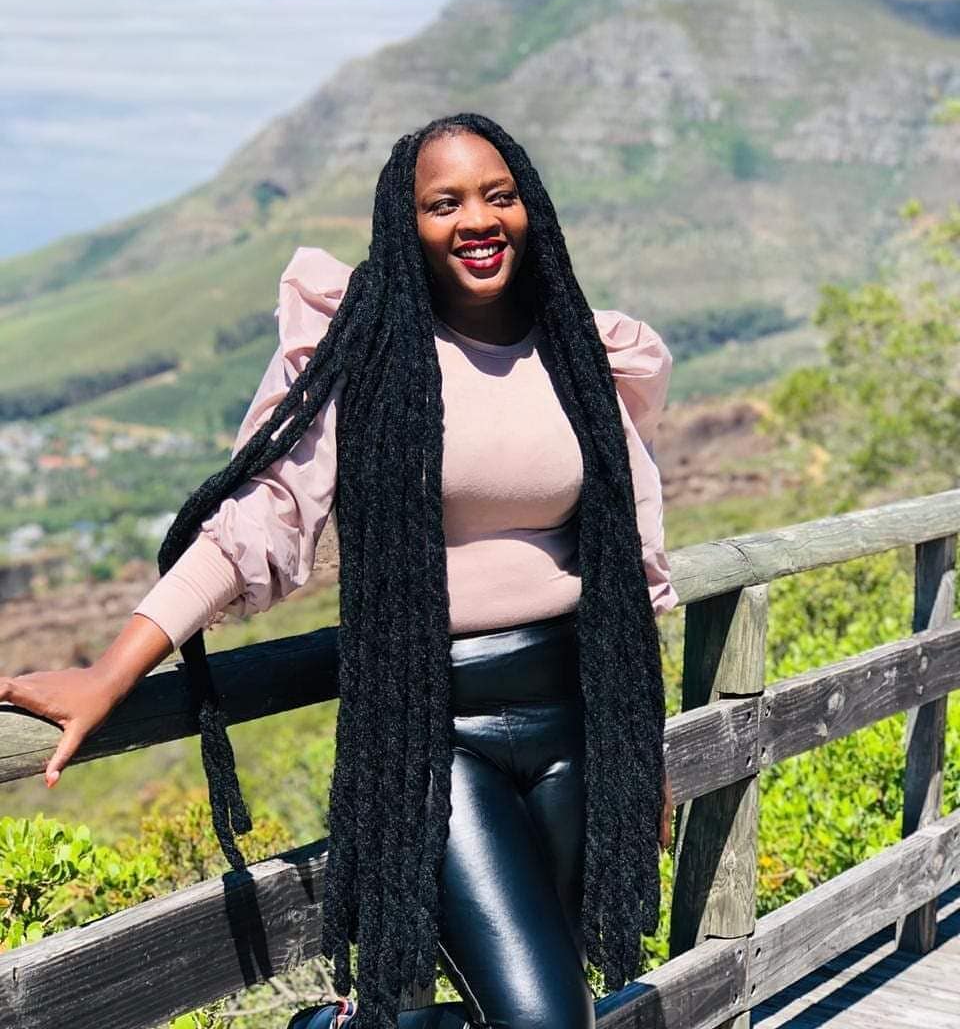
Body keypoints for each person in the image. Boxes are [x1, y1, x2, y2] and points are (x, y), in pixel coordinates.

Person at [0, 112, 679, 1029]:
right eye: (444, 204)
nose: (478, 220)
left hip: (581, 722)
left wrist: (642, 749)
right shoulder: (370, 355)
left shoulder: (584, 357)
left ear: (532, 209)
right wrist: (111, 671)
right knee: (547, 1022)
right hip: (437, 739)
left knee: (554, 1003)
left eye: (498, 196)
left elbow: (628, 561)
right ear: (408, 223)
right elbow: (261, 523)